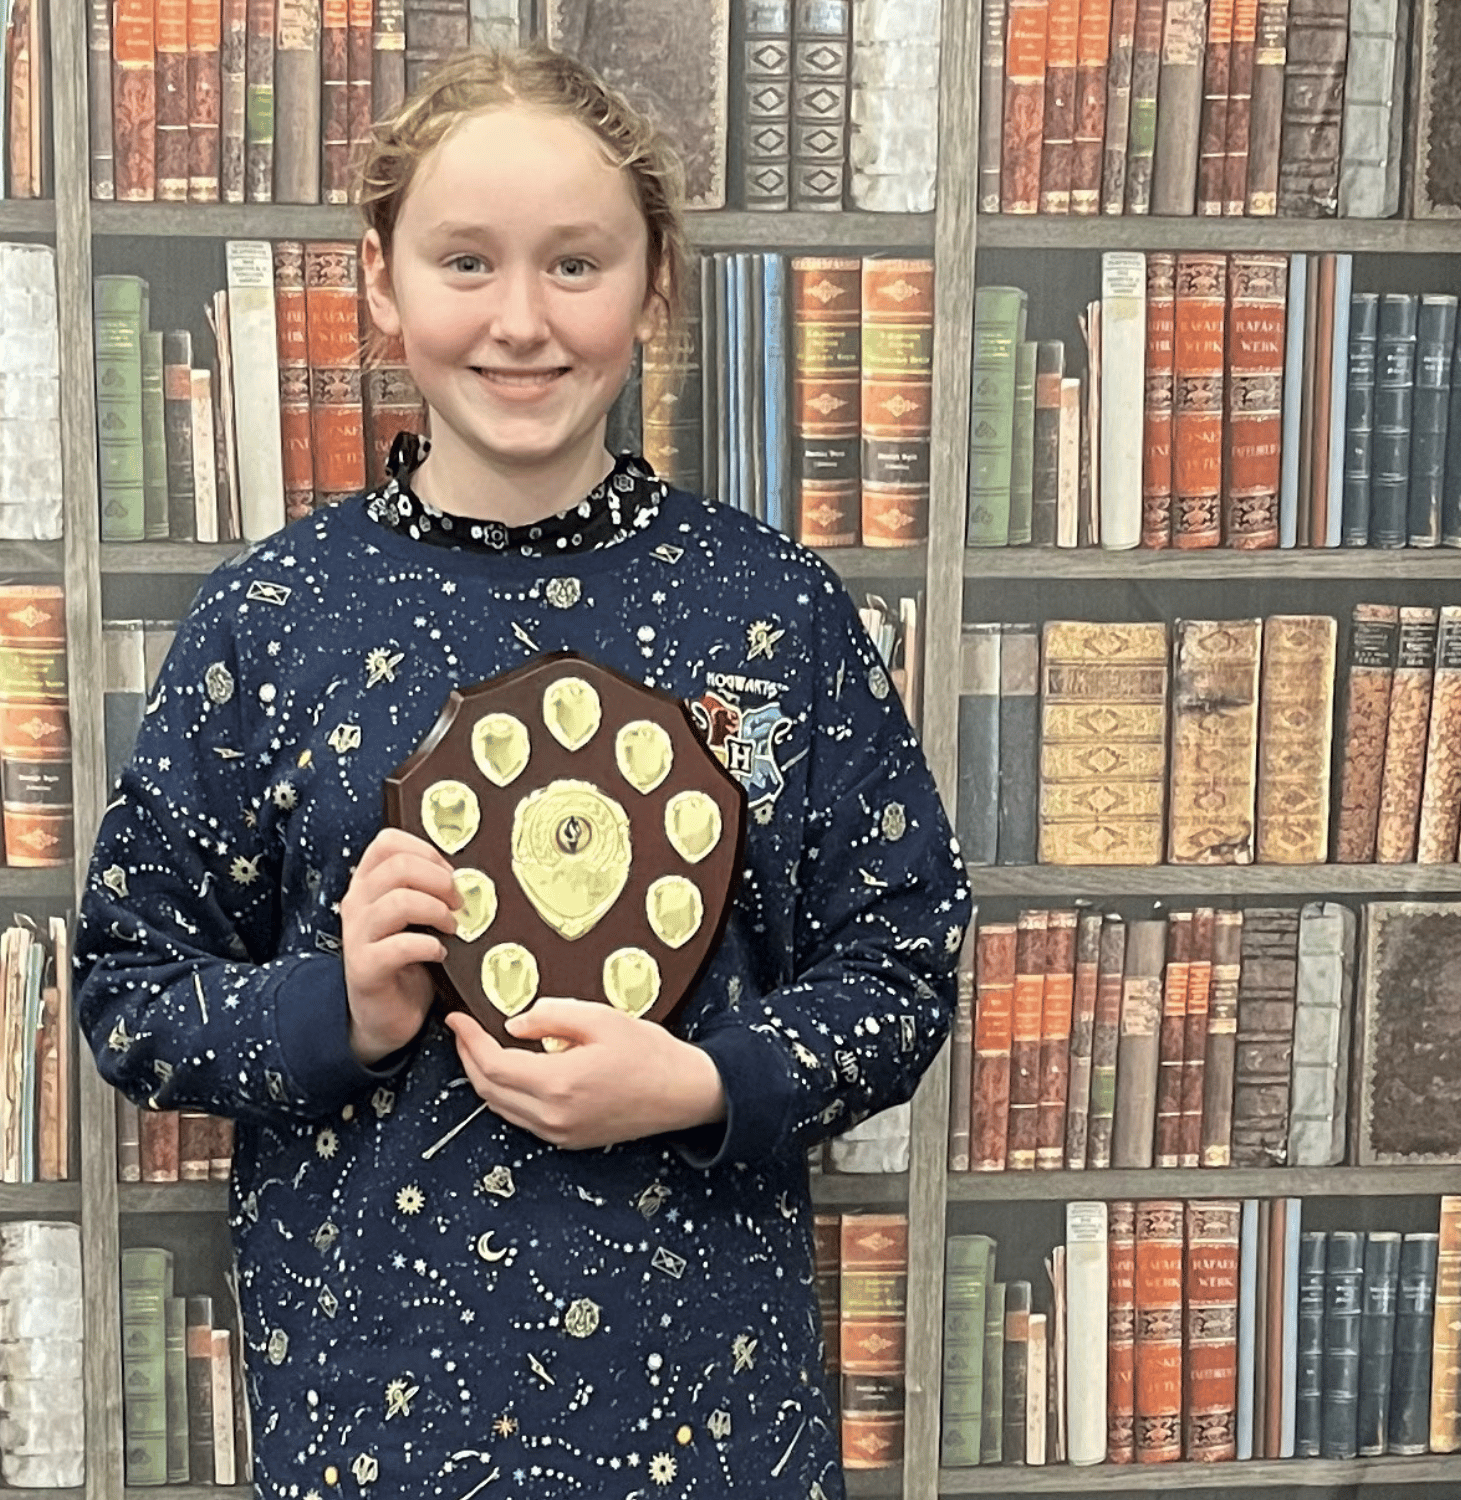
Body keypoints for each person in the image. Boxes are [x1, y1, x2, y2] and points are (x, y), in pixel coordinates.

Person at [74, 43, 970, 1500]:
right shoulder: (275, 618)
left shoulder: (772, 611)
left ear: (653, 283)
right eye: (465, 261)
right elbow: (127, 987)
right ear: (382, 280)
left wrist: (702, 1081)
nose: (520, 322)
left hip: (715, 1429)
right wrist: (338, 1007)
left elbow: (905, 961)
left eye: (575, 264)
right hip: (379, 1431)